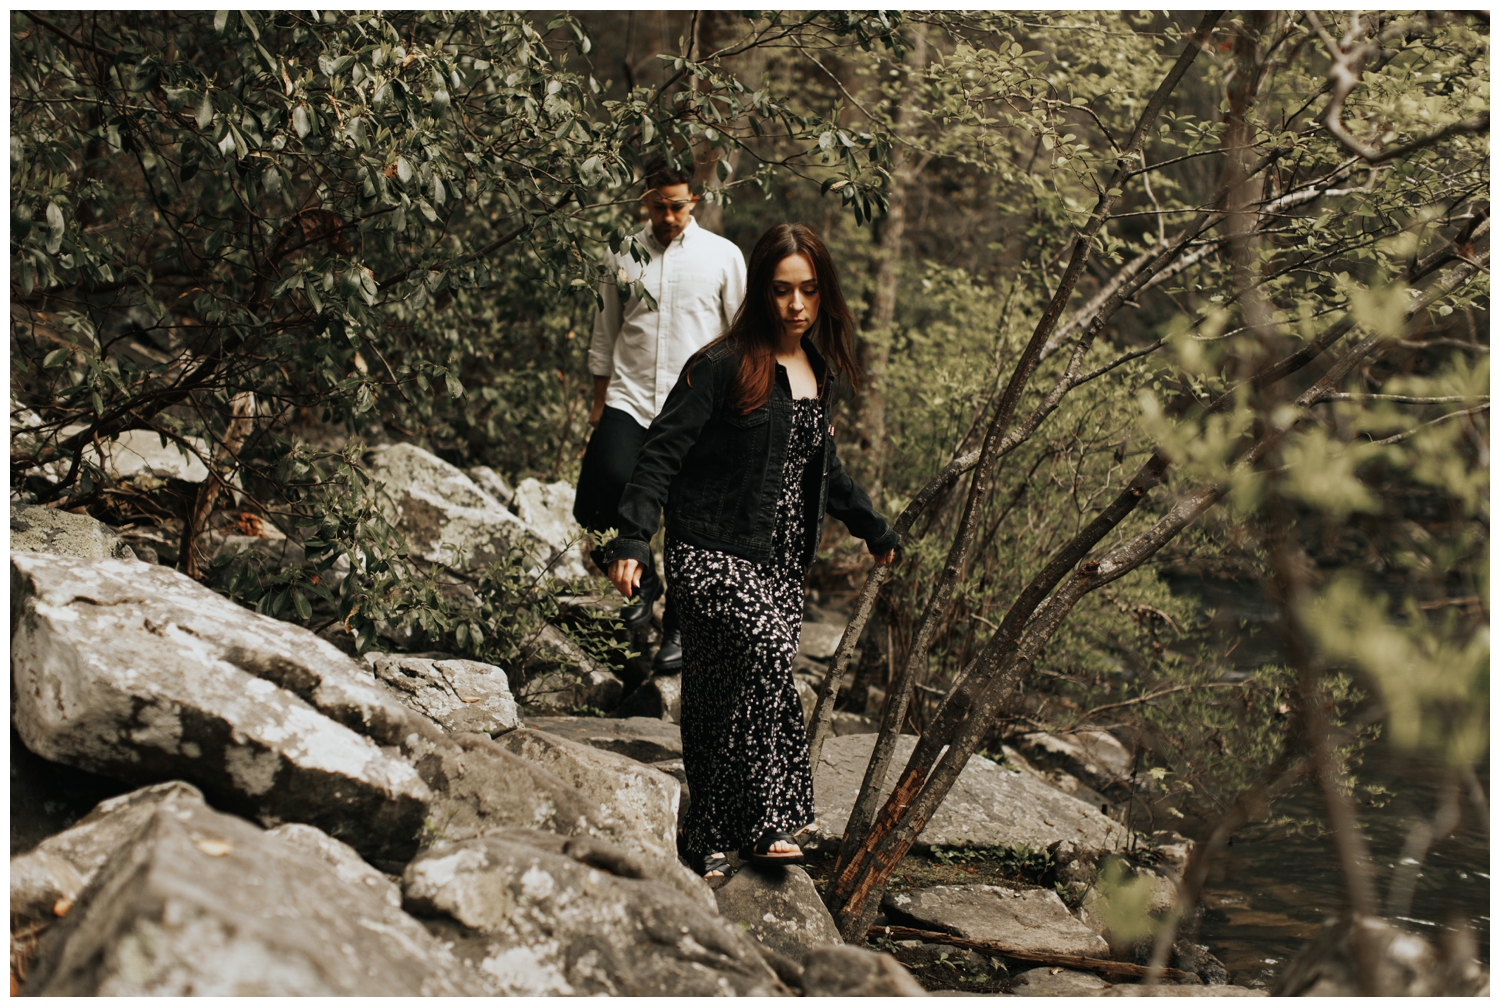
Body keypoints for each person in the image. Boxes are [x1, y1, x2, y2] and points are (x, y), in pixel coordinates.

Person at [604, 224, 898, 878]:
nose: (796, 304)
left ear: (824, 293)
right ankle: (770, 818)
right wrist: (633, 538)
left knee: (719, 696)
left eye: (809, 291)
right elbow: (660, 455)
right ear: (761, 291)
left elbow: (823, 471)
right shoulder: (721, 365)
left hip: (782, 566)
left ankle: (705, 833)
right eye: (782, 290)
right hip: (709, 550)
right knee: (766, 653)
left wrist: (875, 530)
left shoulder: (819, 371)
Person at [574, 158, 747, 674]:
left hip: (697, 412)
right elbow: (605, 331)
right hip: (629, 400)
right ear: (644, 200)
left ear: (693, 199)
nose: (668, 216)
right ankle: (642, 583)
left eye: (677, 206)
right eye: (658, 206)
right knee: (599, 495)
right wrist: (599, 404)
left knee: (690, 522)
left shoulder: (723, 257)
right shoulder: (621, 253)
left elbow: (741, 339)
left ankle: (678, 626)